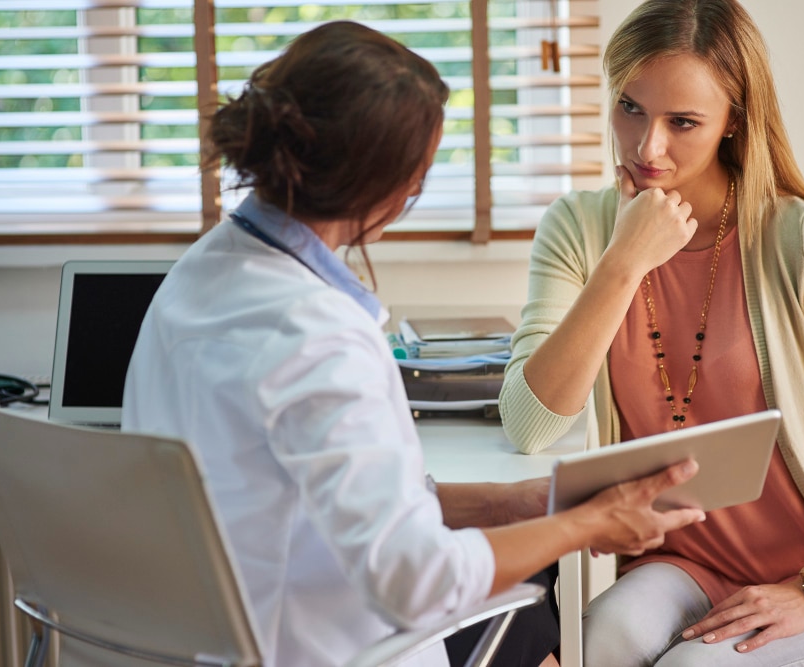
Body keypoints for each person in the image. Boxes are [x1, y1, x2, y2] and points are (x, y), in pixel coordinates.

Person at [121, 20, 707, 667]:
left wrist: (505, 500)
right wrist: (587, 525)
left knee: (530, 585)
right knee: (537, 605)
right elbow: (417, 578)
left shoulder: (196, 275)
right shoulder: (322, 337)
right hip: (320, 643)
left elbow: (317, 490)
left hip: (224, 629)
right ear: (390, 189)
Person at [497, 1, 804, 665]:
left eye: (683, 122)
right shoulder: (578, 230)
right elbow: (530, 424)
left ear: (733, 122)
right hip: (684, 565)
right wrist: (623, 260)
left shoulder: (797, 237)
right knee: (597, 640)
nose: (646, 146)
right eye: (630, 107)